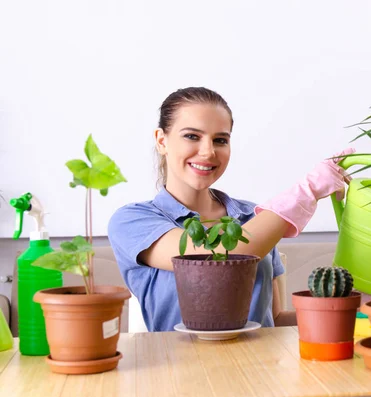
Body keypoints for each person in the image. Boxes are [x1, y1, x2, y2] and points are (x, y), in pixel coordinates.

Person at [108, 87, 353, 332]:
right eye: (192, 136)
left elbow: (274, 319)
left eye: (220, 140)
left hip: (260, 367)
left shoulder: (252, 216)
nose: (208, 151)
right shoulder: (133, 221)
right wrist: (307, 191)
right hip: (182, 366)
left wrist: (352, 310)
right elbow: (219, 256)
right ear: (162, 141)